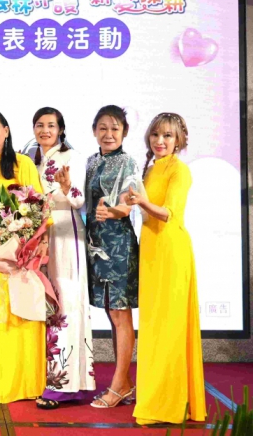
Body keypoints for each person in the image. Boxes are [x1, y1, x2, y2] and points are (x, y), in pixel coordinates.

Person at [127, 113, 206, 424]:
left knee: (169, 328)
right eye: (156, 135)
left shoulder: (179, 170)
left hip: (171, 252)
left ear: (179, 140)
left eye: (168, 136)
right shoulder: (151, 169)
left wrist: (141, 201)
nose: (160, 141)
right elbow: (142, 210)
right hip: (150, 252)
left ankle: (166, 405)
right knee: (153, 327)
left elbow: (168, 213)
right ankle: (157, 399)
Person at [0, 110, 46, 403]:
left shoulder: (23, 163)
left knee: (23, 313)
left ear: (6, 130)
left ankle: (28, 383)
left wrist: (33, 242)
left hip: (21, 256)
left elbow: (37, 205)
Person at [31, 107, 96, 410]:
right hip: (37, 238)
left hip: (66, 236)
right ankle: (42, 378)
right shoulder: (30, 158)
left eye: (51, 125)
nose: (45, 130)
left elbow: (80, 201)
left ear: (60, 129)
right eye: (40, 125)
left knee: (66, 305)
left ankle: (65, 385)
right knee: (44, 306)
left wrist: (68, 187)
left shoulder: (73, 157)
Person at [85, 105, 140, 409]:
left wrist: (113, 211)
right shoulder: (92, 161)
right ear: (94, 130)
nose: (108, 134)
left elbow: (128, 204)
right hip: (96, 245)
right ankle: (125, 383)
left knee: (120, 314)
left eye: (115, 128)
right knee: (110, 311)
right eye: (103, 128)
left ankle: (119, 385)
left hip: (118, 245)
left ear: (124, 132)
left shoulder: (127, 162)